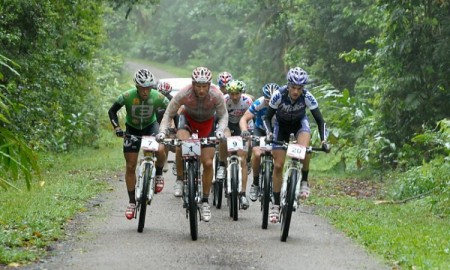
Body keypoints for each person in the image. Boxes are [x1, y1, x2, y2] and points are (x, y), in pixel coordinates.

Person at [156, 67, 228, 222]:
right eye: (198, 86)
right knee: (182, 144)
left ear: (209, 85)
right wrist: (162, 131)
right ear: (193, 84)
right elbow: (169, 113)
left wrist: (221, 131)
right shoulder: (184, 93)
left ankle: (205, 201)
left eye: (204, 86)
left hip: (207, 124)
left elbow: (223, 116)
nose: (201, 90)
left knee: (208, 163)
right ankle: (181, 179)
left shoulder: (217, 94)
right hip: (187, 121)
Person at [262, 67, 329, 223]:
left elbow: (320, 121)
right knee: (278, 166)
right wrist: (269, 134)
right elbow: (267, 118)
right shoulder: (279, 94)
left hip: (299, 124)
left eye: (299, 88)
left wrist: (324, 141)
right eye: (293, 87)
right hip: (281, 127)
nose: (295, 92)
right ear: (288, 85)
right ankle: (276, 205)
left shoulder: (307, 97)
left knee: (305, 149)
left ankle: (304, 182)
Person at [108, 68, 170, 220]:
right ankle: (131, 202)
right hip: (132, 129)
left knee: (161, 149)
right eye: (142, 88)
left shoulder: (158, 96)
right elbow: (112, 111)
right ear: (137, 86)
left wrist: (171, 124)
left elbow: (172, 108)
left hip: (151, 126)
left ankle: (159, 174)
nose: (145, 91)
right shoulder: (127, 96)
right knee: (130, 166)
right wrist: (117, 128)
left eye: (148, 88)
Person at [239, 83, 280, 202]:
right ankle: (255, 184)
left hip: (276, 131)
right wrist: (245, 130)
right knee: (257, 154)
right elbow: (244, 118)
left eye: (272, 101)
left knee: (277, 157)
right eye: (267, 101)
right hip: (260, 130)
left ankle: (274, 184)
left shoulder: (282, 104)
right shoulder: (258, 103)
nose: (269, 103)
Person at [216, 80, 253, 209]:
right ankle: (221, 164)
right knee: (223, 138)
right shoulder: (224, 100)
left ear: (241, 93)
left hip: (241, 127)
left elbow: (251, 118)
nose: (234, 97)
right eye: (232, 94)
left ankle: (243, 194)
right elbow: (219, 117)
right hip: (227, 125)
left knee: (242, 158)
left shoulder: (247, 101)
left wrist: (248, 133)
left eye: (237, 94)